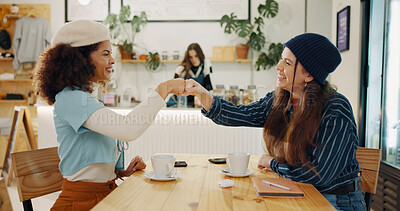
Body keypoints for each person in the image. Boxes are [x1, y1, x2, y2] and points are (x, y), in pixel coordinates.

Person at [185, 33, 366, 210]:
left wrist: (273, 163)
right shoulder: (280, 100)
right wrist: (202, 93)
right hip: (297, 191)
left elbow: (319, 174)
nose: (278, 66)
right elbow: (240, 114)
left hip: (337, 200)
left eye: (287, 63)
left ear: (309, 75)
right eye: (281, 59)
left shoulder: (335, 108)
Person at [33, 19, 185, 210]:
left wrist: (122, 171)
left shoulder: (87, 99)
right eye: (106, 54)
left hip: (107, 195)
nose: (112, 60)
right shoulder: (71, 99)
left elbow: (88, 159)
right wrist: (165, 88)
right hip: (81, 202)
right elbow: (128, 129)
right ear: (80, 60)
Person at [174, 43, 213, 107]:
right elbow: (174, 90)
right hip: (185, 105)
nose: (194, 59)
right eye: (191, 57)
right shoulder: (181, 69)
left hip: (202, 105)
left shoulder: (206, 65)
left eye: (196, 56)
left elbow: (210, 87)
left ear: (200, 55)